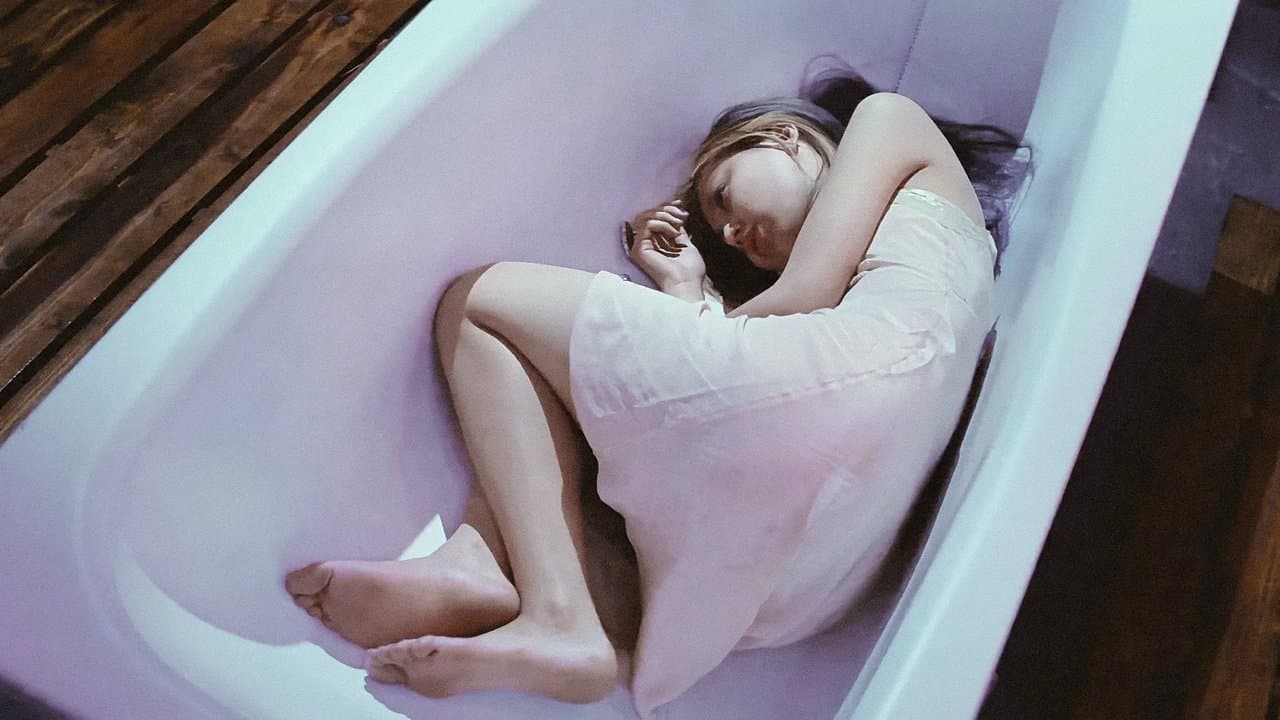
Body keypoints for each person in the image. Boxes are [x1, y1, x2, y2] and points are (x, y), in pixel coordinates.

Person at [283, 62, 1027, 717]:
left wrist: (690, 304)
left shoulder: (888, 119)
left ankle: (555, 612)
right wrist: (685, 285)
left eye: (723, 193)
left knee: (479, 303)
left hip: (828, 432)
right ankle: (482, 567)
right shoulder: (932, 263)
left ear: (785, 137)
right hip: (814, 580)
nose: (729, 232)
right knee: (587, 449)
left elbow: (802, 297)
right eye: (721, 224)